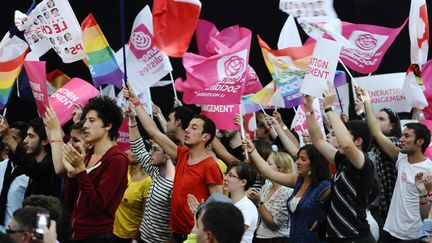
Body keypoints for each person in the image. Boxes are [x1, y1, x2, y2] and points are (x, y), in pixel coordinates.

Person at [124, 84, 223, 242]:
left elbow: (219, 209)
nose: (188, 130)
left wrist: (201, 212)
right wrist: (136, 102)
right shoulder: (181, 154)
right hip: (175, 235)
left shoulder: (210, 166)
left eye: (194, 128)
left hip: (194, 236)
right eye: (188, 126)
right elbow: (153, 132)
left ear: (205, 137)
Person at [358, 87, 432, 241]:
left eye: (406, 136)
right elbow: (376, 132)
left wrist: (424, 192)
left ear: (420, 142)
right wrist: (368, 102)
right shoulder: (401, 158)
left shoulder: (429, 169)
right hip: (390, 231)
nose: (402, 139)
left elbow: (429, 212)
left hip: (415, 237)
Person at [305, 84, 375, 242]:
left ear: (358, 141)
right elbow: (317, 140)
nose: (335, 137)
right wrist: (309, 109)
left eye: (341, 134)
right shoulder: (342, 160)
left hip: (354, 237)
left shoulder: (364, 164)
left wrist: (329, 107)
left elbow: (347, 145)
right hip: (336, 236)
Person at [61, 96, 129, 242]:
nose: (85, 125)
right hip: (75, 234)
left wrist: (80, 171)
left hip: (97, 237)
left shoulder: (117, 160)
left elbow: (96, 206)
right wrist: (72, 176)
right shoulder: (87, 156)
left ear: (108, 126)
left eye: (91, 121)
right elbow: (70, 203)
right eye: (85, 120)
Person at [244, 140, 331, 242]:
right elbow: (268, 173)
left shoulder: (325, 186)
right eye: (298, 158)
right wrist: (252, 150)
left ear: (314, 163)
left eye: (303, 159)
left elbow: (336, 211)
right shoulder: (298, 181)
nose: (297, 162)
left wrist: (322, 222)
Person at [1, 118, 61, 198]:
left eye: (31, 136)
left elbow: (31, 166)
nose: (25, 141)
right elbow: (20, 160)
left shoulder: (51, 166)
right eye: (26, 136)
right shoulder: (32, 162)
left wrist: (8, 136)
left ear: (45, 141)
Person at [248, 151, 294, 242]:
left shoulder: (287, 191)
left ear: (280, 169)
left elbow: (274, 225)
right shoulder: (266, 187)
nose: (264, 166)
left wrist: (258, 203)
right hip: (260, 236)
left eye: (269, 164)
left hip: (277, 239)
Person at [113, 149, 151, 242]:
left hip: (129, 236)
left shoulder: (148, 182)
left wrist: (136, 239)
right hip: (111, 230)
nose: (126, 151)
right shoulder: (125, 169)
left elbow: (144, 215)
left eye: (133, 150)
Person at [0, 122, 29, 233]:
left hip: (17, 233)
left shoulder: (31, 173)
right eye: (4, 137)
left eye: (12, 138)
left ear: (24, 142)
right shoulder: (1, 166)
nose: (6, 142)